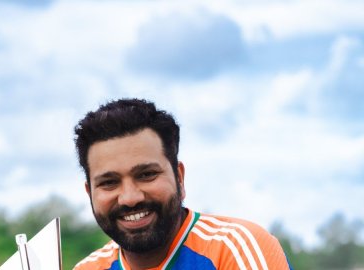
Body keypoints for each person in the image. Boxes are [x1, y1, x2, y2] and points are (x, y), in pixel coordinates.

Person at [73, 98, 292, 270]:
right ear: (89, 192)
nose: (130, 198)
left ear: (179, 177)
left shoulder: (236, 248)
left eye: (146, 174)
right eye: (109, 183)